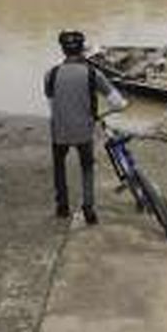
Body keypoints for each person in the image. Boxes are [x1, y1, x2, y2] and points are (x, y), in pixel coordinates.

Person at [44, 30, 127, 224]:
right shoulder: (92, 73)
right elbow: (116, 102)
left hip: (59, 131)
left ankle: (62, 206)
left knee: (59, 166)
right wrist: (122, 106)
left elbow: (51, 103)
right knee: (87, 167)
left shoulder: (51, 74)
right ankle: (89, 208)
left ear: (63, 50)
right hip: (84, 130)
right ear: (82, 50)